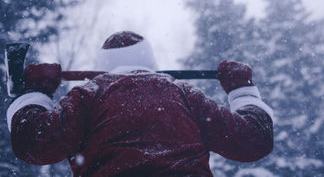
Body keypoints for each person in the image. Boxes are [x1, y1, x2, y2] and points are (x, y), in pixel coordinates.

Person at [7, 31, 274, 176]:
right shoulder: (184, 93)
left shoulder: (89, 95)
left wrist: (36, 93)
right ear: (150, 63)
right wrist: (241, 89)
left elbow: (34, 144)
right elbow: (253, 140)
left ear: (103, 66)